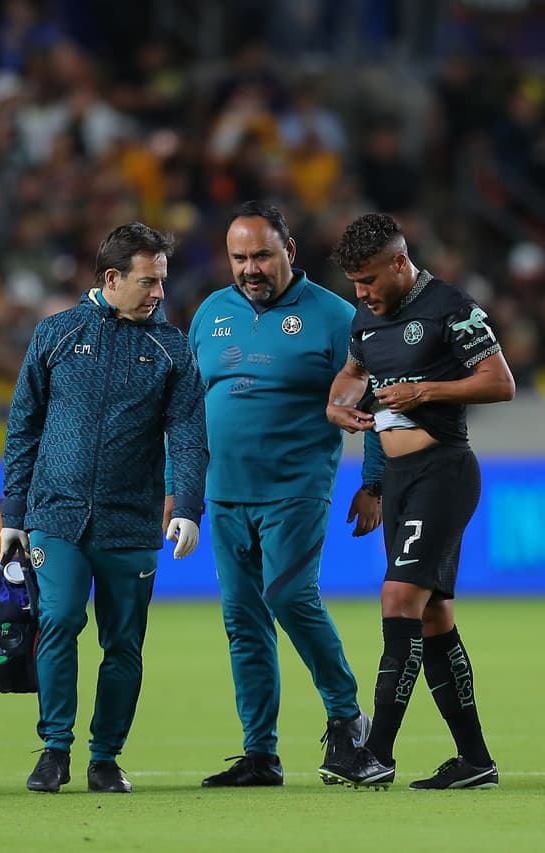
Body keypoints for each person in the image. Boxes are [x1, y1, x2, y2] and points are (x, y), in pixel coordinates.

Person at [179, 201, 384, 788]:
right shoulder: (210, 313)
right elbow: (187, 412)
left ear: (289, 252)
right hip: (224, 494)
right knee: (243, 621)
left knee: (290, 596)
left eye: (262, 256)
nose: (250, 268)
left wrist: (374, 483)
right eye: (239, 257)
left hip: (295, 488)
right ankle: (260, 754)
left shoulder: (335, 317)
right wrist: (182, 493)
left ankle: (347, 719)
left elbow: (375, 399)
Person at [0, 222, 208, 794]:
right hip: (56, 516)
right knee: (59, 620)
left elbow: (189, 434)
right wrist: (13, 514)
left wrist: (188, 506)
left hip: (132, 522)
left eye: (162, 281)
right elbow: (23, 427)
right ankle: (54, 750)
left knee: (123, 644)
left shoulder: (172, 348)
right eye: (148, 281)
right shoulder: (55, 334)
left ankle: (105, 758)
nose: (159, 292)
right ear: (112, 278)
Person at [319, 212, 516, 790]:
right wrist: (337, 406)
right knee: (432, 617)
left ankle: (376, 753)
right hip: (401, 479)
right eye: (355, 283)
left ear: (400, 263)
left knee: (399, 596)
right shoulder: (366, 317)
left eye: (369, 280)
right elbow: (351, 375)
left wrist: (426, 390)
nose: (361, 294)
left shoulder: (450, 307)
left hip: (443, 471)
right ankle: (475, 760)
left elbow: (500, 381)